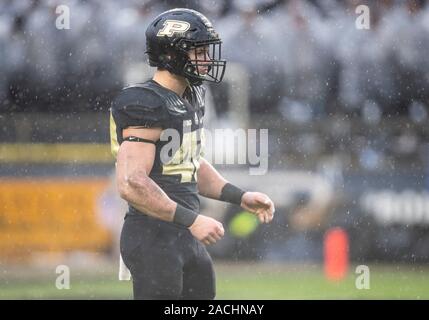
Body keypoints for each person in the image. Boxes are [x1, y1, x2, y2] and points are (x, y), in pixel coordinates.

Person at [110, 8, 275, 300]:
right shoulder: (143, 101)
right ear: (171, 55)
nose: (207, 59)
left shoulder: (191, 95)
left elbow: (188, 164)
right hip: (152, 235)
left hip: (181, 234)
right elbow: (132, 183)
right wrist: (193, 220)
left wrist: (239, 196)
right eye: (198, 52)